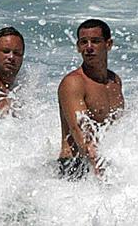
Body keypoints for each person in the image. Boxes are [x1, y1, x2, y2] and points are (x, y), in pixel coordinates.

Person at [57, 19, 124, 180]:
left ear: (108, 44)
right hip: (75, 167)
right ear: (78, 47)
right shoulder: (73, 83)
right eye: (83, 42)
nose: (88, 47)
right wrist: (101, 175)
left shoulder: (114, 81)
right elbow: (80, 132)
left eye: (95, 41)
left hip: (104, 162)